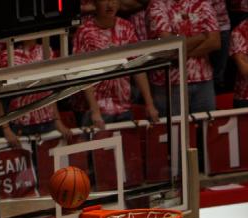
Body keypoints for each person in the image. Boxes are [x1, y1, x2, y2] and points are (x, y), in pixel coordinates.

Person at [72, 0, 159, 129]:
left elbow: (137, 67)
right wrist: (94, 110)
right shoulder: (84, 32)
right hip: (96, 111)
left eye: (113, 0)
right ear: (95, 4)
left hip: (124, 107)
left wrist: (149, 104)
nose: (110, 5)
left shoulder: (126, 27)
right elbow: (82, 72)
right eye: (104, 0)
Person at [147, 0, 220, 115]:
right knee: (174, 131)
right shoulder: (157, 5)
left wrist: (179, 53)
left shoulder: (202, 3)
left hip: (203, 80)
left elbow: (215, 42)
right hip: (170, 83)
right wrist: (201, 37)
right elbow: (169, 45)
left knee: (205, 129)